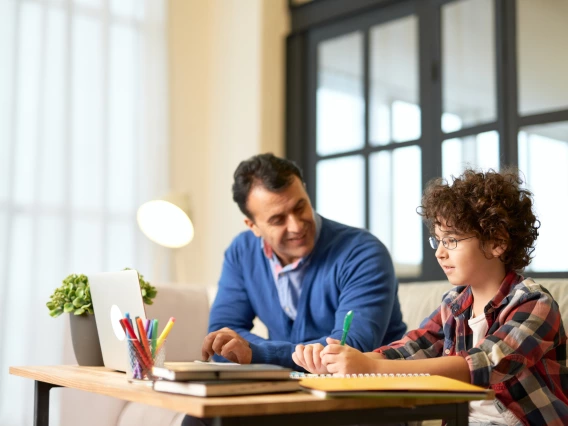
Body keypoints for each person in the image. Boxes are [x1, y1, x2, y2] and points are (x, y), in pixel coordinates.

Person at [294, 168, 568, 426]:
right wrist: (344, 361)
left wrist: (366, 367)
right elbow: (409, 349)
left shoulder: (534, 303)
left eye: (451, 240)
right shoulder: (454, 304)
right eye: (437, 240)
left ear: (497, 242)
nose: (439, 252)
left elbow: (479, 365)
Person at [201, 153, 406, 369]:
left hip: (365, 389)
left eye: (300, 207)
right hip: (285, 387)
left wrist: (256, 353)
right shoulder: (242, 252)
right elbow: (221, 338)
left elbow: (349, 349)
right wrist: (253, 353)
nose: (297, 226)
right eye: (278, 219)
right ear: (253, 226)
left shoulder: (362, 252)